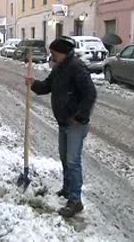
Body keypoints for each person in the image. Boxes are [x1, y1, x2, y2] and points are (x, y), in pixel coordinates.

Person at [26, 36, 97, 218]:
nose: (52, 56)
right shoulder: (59, 69)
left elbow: (90, 93)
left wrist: (80, 116)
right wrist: (33, 83)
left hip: (75, 123)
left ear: (63, 53)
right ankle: (67, 189)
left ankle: (76, 201)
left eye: (54, 53)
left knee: (73, 161)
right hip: (64, 121)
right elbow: (46, 86)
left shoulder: (76, 68)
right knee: (65, 158)